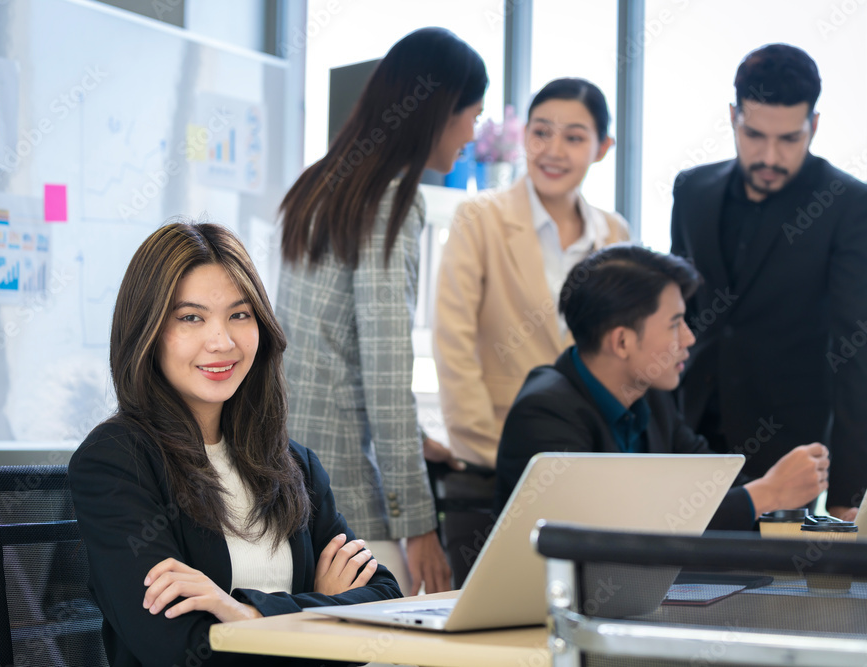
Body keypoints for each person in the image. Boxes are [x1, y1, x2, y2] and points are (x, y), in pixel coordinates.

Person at [69, 221, 401, 667]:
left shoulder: (294, 464)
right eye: (191, 318)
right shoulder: (114, 462)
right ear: (147, 331)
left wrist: (243, 614)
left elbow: (384, 600)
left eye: (239, 315)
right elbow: (181, 648)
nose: (221, 341)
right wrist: (318, 607)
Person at [276, 27, 487, 595]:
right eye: (472, 114)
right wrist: (418, 525)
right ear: (440, 112)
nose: (473, 133)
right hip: (346, 492)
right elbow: (386, 375)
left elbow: (331, 345)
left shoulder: (323, 185)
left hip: (290, 472)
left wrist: (415, 439)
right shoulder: (392, 200)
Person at [669, 44, 867, 521]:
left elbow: (860, 351)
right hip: (688, 441)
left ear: (814, 125)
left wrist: (850, 495)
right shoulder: (691, 192)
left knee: (771, 594)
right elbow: (677, 316)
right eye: (754, 135)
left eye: (789, 139)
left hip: (789, 451)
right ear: (733, 117)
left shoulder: (851, 207)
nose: (770, 155)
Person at [495, 245, 830, 530]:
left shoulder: (651, 398)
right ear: (622, 341)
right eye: (674, 324)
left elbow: (711, 486)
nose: (689, 338)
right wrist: (766, 494)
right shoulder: (545, 413)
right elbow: (618, 533)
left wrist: (784, 494)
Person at [435, 77, 629, 471]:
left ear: (602, 148)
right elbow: (453, 344)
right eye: (541, 133)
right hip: (499, 449)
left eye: (574, 138)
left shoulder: (614, 234)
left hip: (593, 455)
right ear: (524, 136)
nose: (552, 151)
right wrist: (486, 449)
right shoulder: (479, 219)